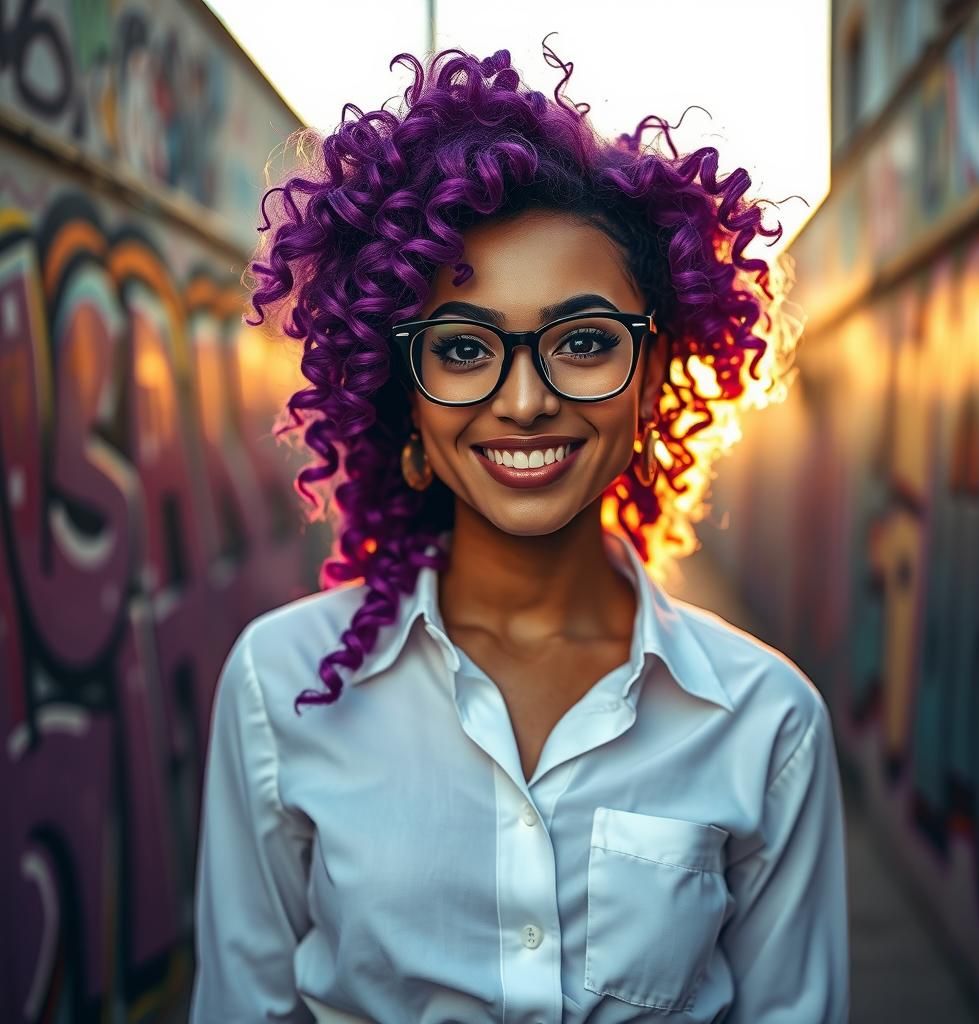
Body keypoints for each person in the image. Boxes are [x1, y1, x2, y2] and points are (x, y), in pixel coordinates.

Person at [188, 40, 849, 1024]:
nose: (527, 398)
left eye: (583, 341)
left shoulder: (767, 723)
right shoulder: (277, 687)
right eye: (462, 348)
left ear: (654, 368)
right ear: (400, 394)